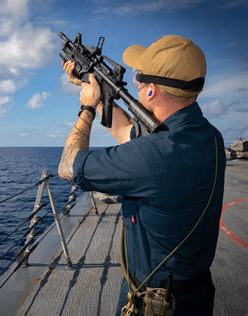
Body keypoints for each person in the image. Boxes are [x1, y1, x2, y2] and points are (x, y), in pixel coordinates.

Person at [58, 35, 226, 315]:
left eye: (137, 78)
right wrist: (97, 94)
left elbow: (68, 165)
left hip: (154, 305)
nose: (134, 84)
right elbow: (127, 134)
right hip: (195, 295)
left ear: (150, 92)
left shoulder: (154, 155)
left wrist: (86, 107)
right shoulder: (209, 137)